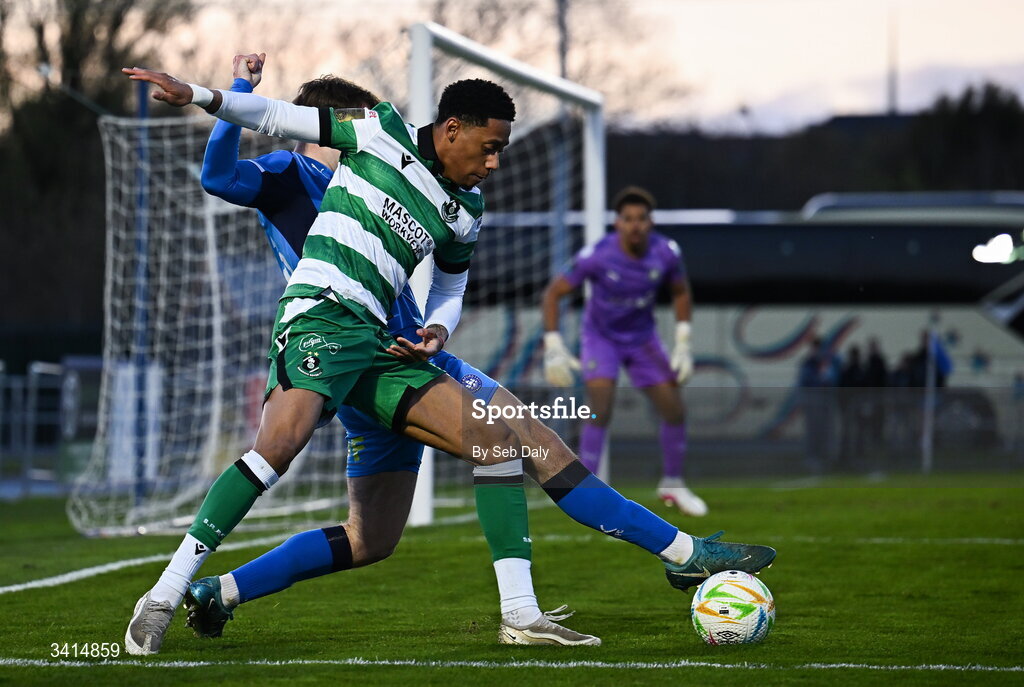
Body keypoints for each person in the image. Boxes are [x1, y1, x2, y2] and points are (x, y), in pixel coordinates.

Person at [121, 63, 776, 656]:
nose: (494, 163)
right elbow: (254, 137)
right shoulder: (333, 154)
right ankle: (165, 591)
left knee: (396, 520)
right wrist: (216, 93)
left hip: (397, 353)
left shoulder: (456, 204)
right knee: (289, 446)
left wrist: (435, 326)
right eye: (490, 149)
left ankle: (224, 592)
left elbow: (454, 285)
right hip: (325, 331)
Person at [187, 54, 596, 647]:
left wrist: (438, 325)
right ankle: (548, 600)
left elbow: (449, 274)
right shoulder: (287, 174)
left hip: (412, 349)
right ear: (320, 127)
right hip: (350, 354)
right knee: (506, 444)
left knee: (372, 538)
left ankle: (219, 590)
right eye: (346, 124)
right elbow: (220, 177)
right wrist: (238, 90)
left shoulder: (386, 176)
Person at [541, 186, 706, 516]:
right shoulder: (598, 255)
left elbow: (681, 291)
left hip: (643, 339)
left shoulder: (666, 252)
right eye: (627, 218)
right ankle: (584, 493)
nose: (634, 225)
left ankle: (672, 483)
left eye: (641, 219)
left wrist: (684, 342)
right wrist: (553, 344)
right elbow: (553, 293)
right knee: (600, 408)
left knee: (674, 409)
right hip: (601, 338)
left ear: (650, 222)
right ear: (617, 223)